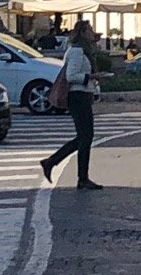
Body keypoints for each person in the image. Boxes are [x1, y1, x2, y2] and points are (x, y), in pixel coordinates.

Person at [39, 22, 103, 190]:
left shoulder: (84, 50)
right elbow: (71, 76)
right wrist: (91, 76)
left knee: (85, 137)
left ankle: (61, 166)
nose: (92, 32)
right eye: (89, 30)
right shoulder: (77, 51)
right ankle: (68, 170)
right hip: (77, 96)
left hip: (84, 95)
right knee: (85, 136)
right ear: (82, 32)